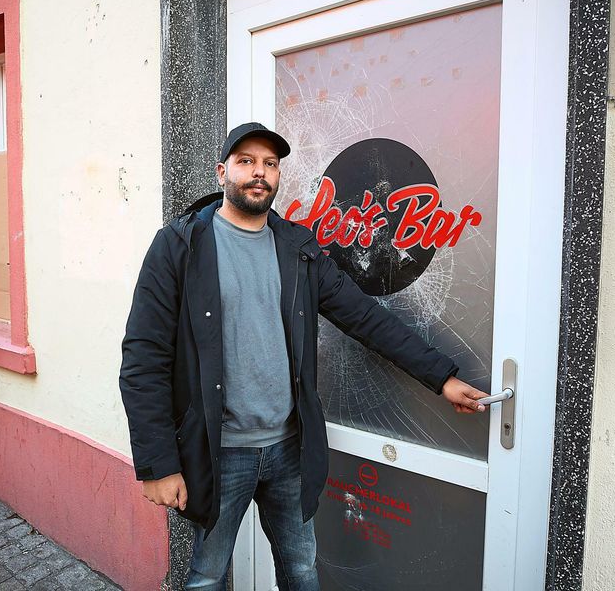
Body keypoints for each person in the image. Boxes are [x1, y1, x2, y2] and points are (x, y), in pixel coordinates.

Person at [119, 122, 489, 590]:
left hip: (288, 451)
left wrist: (443, 377)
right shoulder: (179, 247)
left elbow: (366, 319)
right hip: (219, 452)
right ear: (222, 172)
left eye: (270, 164)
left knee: (300, 571)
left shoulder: (299, 249)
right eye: (246, 162)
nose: (260, 173)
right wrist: (159, 465)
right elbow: (142, 360)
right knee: (207, 577)